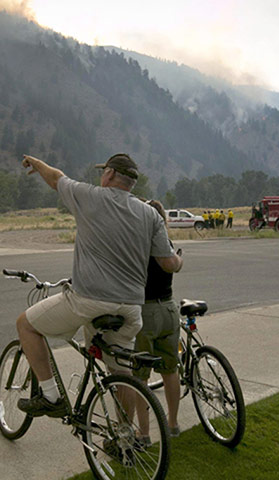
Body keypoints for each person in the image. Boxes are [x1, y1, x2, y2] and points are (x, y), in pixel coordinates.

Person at [15, 153, 183, 418]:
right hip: (130, 308)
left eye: (103, 172)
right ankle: (125, 436)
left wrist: (36, 163)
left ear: (111, 175)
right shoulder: (150, 213)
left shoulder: (90, 196)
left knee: (25, 325)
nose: (101, 176)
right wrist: (180, 262)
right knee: (121, 372)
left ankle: (51, 396)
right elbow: (167, 262)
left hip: (88, 301)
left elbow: (57, 178)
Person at [134, 199, 183, 438]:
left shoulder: (138, 245)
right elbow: (173, 265)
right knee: (170, 370)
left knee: (140, 376)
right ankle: (173, 424)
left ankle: (144, 433)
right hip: (169, 308)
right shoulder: (167, 244)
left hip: (146, 311)